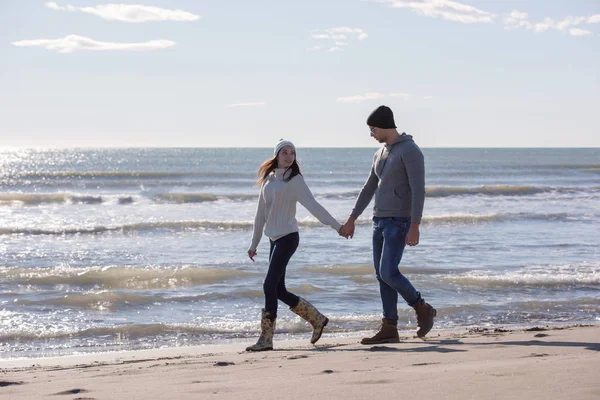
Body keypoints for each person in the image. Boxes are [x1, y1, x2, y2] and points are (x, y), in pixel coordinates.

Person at [339, 105, 436, 344]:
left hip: (399, 222)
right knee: (382, 276)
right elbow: (369, 187)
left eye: (372, 129)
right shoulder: (380, 153)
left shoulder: (410, 150)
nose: (371, 133)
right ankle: (390, 327)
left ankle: (422, 308)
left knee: (388, 272)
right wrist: (352, 218)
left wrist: (415, 224)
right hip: (379, 221)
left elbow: (418, 190)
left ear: (383, 126)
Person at [246, 139, 343, 352]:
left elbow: (314, 206)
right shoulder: (269, 180)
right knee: (278, 289)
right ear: (277, 155)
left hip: (288, 238)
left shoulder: (295, 180)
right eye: (285, 153)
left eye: (292, 153)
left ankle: (266, 339)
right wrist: (254, 244)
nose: (289, 157)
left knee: (268, 285)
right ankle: (317, 319)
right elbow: (260, 215)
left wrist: (337, 226)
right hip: (273, 239)